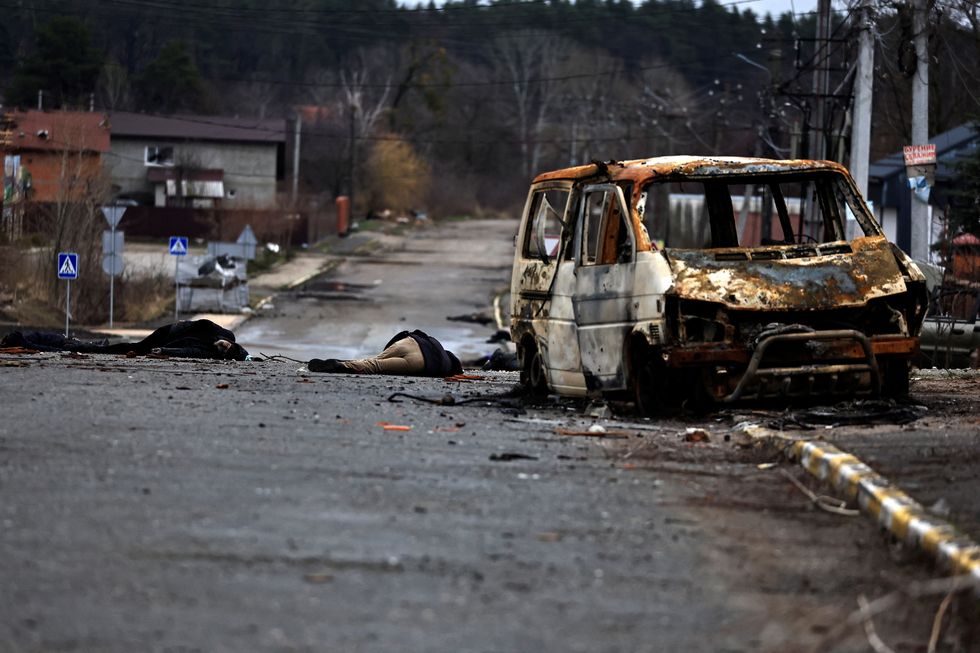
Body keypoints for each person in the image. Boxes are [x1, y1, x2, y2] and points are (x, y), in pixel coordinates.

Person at [0, 319, 248, 361]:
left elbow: (189, 349)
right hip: (168, 334)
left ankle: (26, 339)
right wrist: (165, 350)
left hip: (168, 335)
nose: (224, 346)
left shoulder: (217, 346)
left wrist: (165, 350)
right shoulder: (223, 341)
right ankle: (22, 339)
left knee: (116, 349)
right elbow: (192, 348)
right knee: (79, 348)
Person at [308, 329, 463, 377]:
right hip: (419, 362)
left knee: (374, 359)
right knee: (375, 366)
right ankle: (341, 365)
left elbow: (416, 333)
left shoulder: (438, 345)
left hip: (409, 341)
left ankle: (347, 362)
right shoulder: (444, 366)